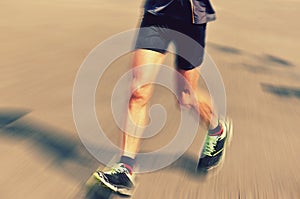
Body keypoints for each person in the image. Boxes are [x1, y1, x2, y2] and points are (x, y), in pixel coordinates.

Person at [92, 0, 233, 196]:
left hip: (191, 20)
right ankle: (125, 169)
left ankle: (217, 130)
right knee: (138, 90)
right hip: (157, 15)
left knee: (186, 96)